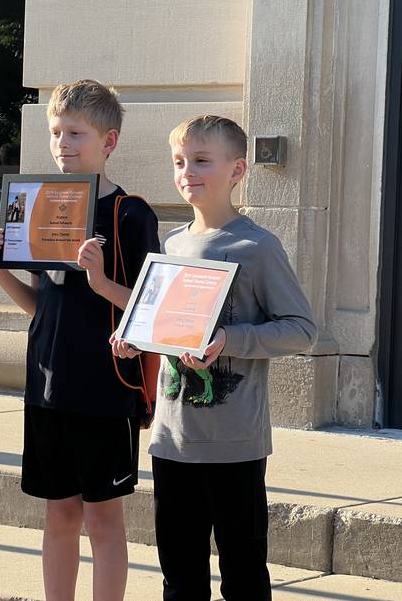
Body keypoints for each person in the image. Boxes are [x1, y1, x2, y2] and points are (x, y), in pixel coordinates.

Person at [112, 115, 317, 600]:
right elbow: (168, 328)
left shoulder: (258, 247)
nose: (188, 172)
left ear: (238, 170)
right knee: (179, 577)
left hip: (235, 444)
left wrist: (230, 339)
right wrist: (135, 337)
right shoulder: (172, 245)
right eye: (179, 162)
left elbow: (302, 330)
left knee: (243, 575)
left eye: (202, 161)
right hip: (172, 440)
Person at [0, 79, 160, 600]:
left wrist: (102, 283)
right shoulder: (40, 205)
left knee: (103, 519)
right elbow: (42, 305)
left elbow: (152, 311)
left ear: (110, 142)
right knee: (59, 514)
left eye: (77, 132)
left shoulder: (131, 214)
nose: (63, 143)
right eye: (56, 132)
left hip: (105, 388)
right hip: (47, 383)